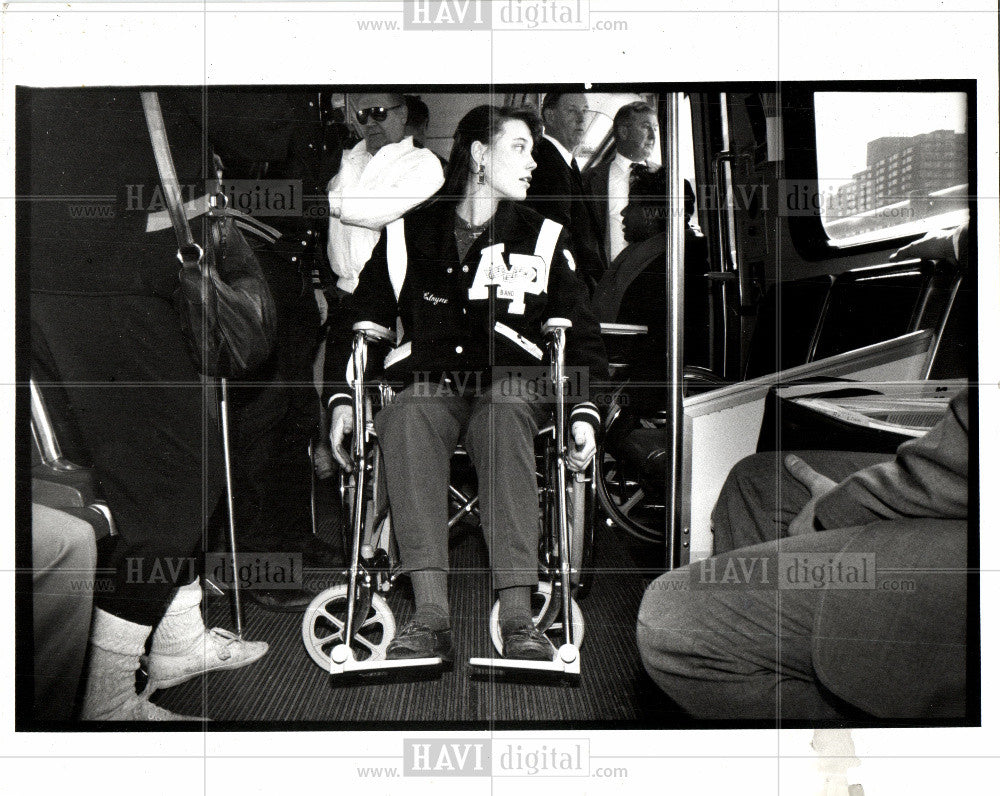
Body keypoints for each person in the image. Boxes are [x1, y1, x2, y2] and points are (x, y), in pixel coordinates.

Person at [24, 88, 301, 720]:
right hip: (111, 276)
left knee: (146, 477)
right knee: (184, 479)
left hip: (76, 267)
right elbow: (262, 129)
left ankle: (175, 641)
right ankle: (106, 693)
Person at [325, 105, 608, 662]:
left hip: (511, 384)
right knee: (405, 412)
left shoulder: (546, 236)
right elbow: (358, 318)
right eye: (520, 148)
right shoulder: (409, 231)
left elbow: (579, 333)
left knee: (503, 409)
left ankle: (518, 615)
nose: (532, 164)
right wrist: (342, 400)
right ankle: (430, 614)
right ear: (480, 154)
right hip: (433, 378)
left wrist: (581, 411)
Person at [326, 91, 444, 295]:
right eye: (363, 115)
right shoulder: (343, 160)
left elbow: (379, 208)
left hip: (391, 295)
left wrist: (320, 202)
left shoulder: (423, 163)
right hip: (342, 289)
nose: (370, 122)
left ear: (403, 114)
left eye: (378, 112)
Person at [525, 92, 607, 292]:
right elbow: (559, 236)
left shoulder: (564, 161)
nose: (581, 118)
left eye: (585, 111)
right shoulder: (547, 163)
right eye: (572, 111)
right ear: (550, 116)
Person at [584, 100, 658, 263]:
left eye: (655, 128)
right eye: (646, 127)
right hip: (611, 281)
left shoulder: (664, 178)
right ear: (624, 132)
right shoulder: (590, 180)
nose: (653, 136)